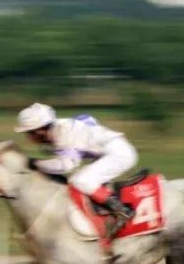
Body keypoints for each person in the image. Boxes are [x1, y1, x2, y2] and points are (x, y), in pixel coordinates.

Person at [14, 102, 138, 237]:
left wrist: (36, 164)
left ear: (39, 130)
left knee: (80, 180)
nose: (28, 137)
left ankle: (122, 210)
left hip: (118, 154)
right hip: (113, 150)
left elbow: (66, 166)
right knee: (80, 178)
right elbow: (88, 119)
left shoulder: (63, 134)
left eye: (29, 133)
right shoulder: (61, 126)